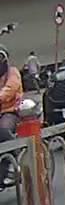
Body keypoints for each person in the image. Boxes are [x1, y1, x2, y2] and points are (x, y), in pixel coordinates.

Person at [0, 48, 24, 186]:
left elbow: (10, 89)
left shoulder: (12, 72)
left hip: (11, 110)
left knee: (3, 131)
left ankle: (12, 159)